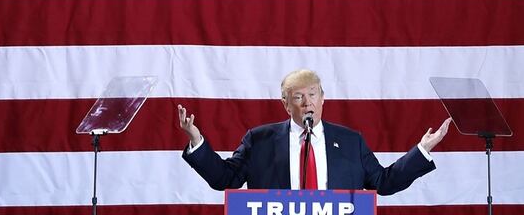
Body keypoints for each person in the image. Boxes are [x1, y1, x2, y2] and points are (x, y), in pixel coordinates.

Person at [178, 68, 452, 195]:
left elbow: (383, 182)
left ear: (323, 98)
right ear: (286, 104)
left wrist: (422, 150)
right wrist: (196, 140)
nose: (307, 102)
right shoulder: (259, 140)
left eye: (313, 94)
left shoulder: (350, 141)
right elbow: (226, 179)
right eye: (298, 97)